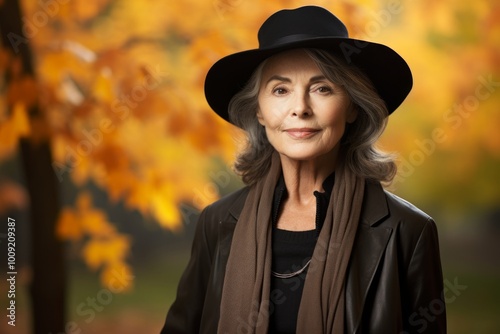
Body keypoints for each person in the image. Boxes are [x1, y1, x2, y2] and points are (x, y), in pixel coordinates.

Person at [161, 5, 446, 334]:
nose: (300, 109)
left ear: (352, 107)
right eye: (280, 90)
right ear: (259, 112)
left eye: (322, 88)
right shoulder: (218, 222)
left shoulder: (407, 230)